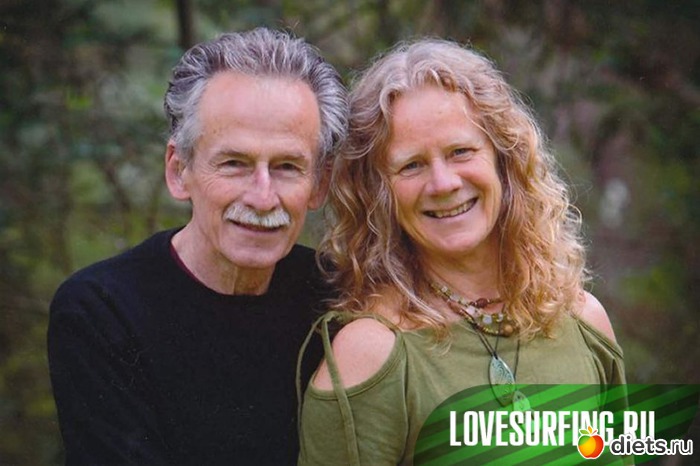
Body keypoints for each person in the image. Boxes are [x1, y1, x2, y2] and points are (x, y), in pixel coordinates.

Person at [297, 38, 625, 465]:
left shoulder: (584, 321)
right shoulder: (372, 355)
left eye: (461, 152)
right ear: (377, 193)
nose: (444, 183)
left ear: (505, 161)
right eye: (412, 165)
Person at [47, 27, 347, 465]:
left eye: (287, 166)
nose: (263, 197)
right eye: (234, 163)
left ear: (318, 184)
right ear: (178, 171)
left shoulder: (342, 296)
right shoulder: (102, 311)